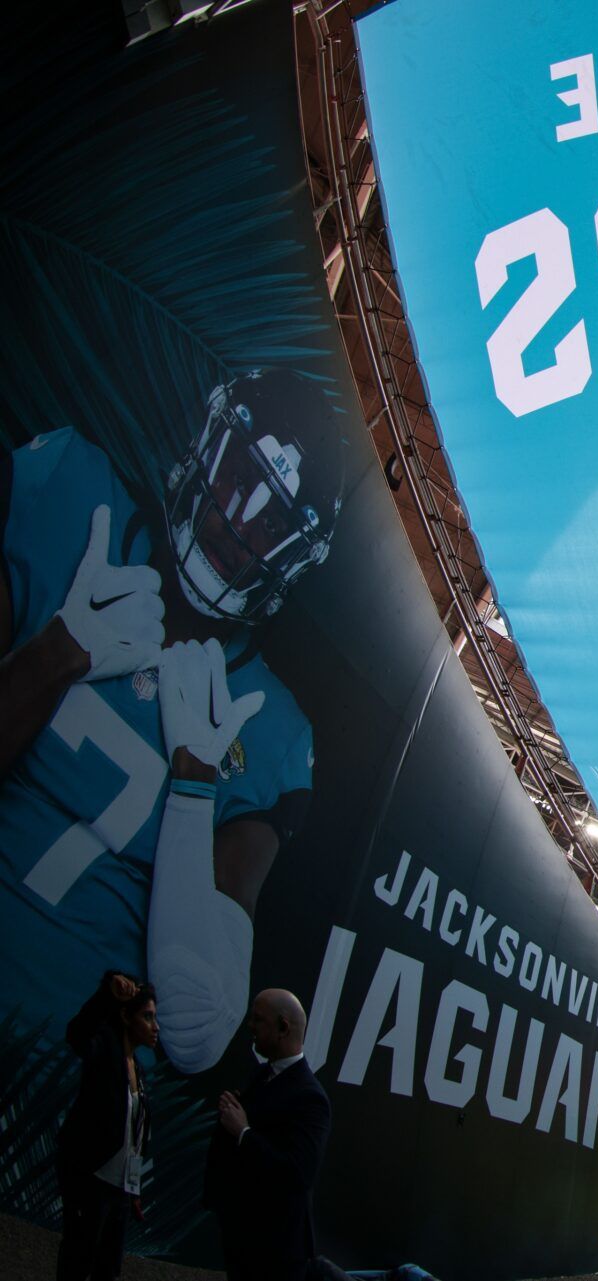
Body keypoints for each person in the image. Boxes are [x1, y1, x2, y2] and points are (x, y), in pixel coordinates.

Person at [0, 370, 344, 1076]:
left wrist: (194, 785)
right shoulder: (74, 500)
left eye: (274, 519)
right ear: (206, 446)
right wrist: (54, 654)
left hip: (60, 1109)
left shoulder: (268, 729)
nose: (240, 523)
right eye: (240, 477)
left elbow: (194, 1028)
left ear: (294, 556)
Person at [204, 988, 332, 1281]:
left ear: (283, 1027)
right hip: (243, 1240)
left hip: (277, 1253)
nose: (250, 1026)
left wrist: (244, 1132)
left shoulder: (310, 1098)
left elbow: (299, 1173)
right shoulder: (260, 1076)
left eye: (258, 1020)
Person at [55, 971, 157, 1281]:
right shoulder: (105, 1048)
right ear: (126, 1017)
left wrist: (134, 1188)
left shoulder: (138, 1070)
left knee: (108, 1271)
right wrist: (106, 996)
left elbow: (136, 1137)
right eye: (147, 1017)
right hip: (92, 1180)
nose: (155, 1026)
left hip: (121, 1192)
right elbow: (77, 1034)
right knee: (78, 1262)